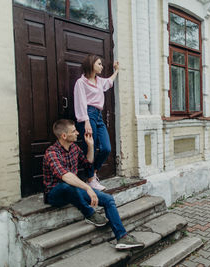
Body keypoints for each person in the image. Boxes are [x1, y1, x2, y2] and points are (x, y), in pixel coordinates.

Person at [43, 119, 144, 250]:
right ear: (64, 136)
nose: (78, 133)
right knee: (67, 186)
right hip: (55, 194)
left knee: (108, 199)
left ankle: (122, 237)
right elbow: (65, 176)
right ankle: (89, 214)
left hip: (75, 191)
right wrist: (87, 188)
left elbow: (87, 163)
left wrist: (90, 146)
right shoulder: (52, 152)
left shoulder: (74, 148)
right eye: (74, 131)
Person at [74, 54, 119, 191]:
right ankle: (90, 179)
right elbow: (80, 102)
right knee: (89, 148)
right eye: (99, 64)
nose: (102, 66)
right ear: (91, 64)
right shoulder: (81, 82)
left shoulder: (99, 81)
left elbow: (110, 81)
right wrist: (86, 121)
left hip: (98, 116)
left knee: (106, 148)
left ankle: (92, 173)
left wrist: (116, 70)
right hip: (87, 115)